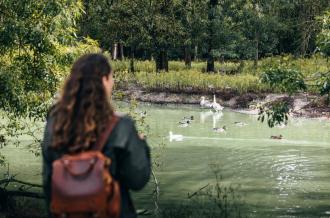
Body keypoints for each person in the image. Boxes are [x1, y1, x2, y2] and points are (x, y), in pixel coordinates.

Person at [41, 53, 151, 218]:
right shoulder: (121, 126)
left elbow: (48, 182)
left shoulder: (54, 123)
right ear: (105, 80)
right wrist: (141, 145)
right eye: (111, 77)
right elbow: (138, 180)